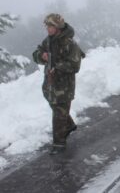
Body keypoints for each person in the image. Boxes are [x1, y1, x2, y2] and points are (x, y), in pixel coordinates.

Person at [33, 13, 85, 155]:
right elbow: (37, 53)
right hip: (50, 84)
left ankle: (59, 144)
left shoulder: (70, 44)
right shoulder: (48, 41)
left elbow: (75, 66)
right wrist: (41, 55)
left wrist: (57, 65)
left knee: (58, 114)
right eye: (47, 26)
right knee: (57, 110)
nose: (48, 29)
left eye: (51, 26)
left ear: (58, 27)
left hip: (64, 86)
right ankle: (69, 125)